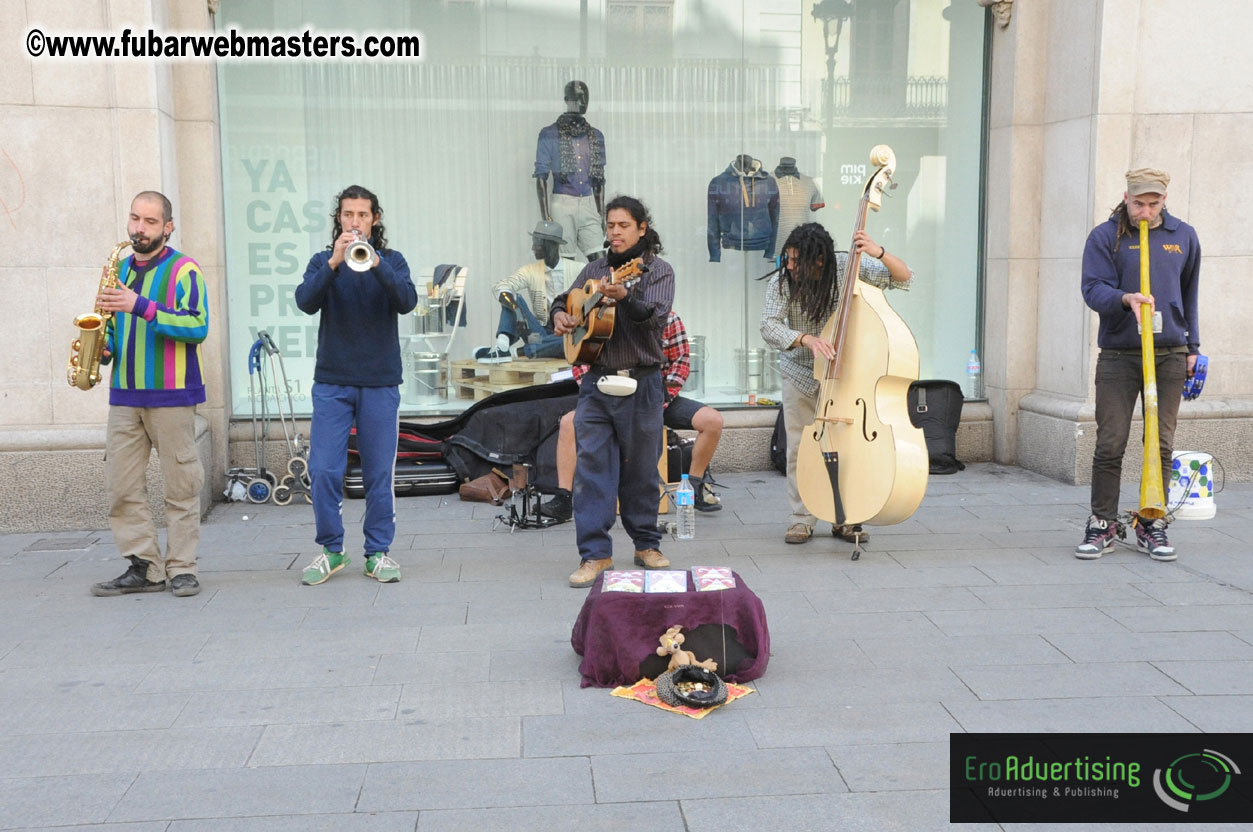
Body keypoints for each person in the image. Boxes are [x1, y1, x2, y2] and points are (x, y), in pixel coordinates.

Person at [759, 222, 914, 545]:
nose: (788, 266)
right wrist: (805, 340)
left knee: (850, 447)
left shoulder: (848, 266)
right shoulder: (783, 280)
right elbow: (769, 326)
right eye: (787, 259)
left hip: (848, 377)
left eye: (795, 260)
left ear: (819, 261)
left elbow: (903, 277)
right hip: (801, 372)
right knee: (800, 448)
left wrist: (879, 252)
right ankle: (801, 519)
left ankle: (847, 517)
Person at [1075, 168, 1200, 562]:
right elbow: (1092, 289)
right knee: (1110, 442)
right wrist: (1125, 300)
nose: (1145, 212)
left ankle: (1152, 520)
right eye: (1138, 204)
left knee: (1160, 443)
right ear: (1125, 198)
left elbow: (1190, 293)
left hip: (1169, 353)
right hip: (1119, 352)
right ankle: (1102, 523)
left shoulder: (1182, 236)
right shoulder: (1105, 236)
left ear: (1164, 200)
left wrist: (1192, 345)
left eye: (1153, 204)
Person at [295, 185, 418, 585]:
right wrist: (334, 262)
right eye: (348, 215)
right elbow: (305, 301)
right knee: (324, 469)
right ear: (338, 219)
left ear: (374, 219)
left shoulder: (393, 260)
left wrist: (377, 263)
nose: (354, 222)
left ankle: (378, 552)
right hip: (332, 381)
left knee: (379, 474)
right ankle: (331, 550)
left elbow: (406, 301)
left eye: (362, 215)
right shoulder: (321, 261)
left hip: (380, 382)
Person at [551, 195, 675, 587]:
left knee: (641, 470)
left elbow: (654, 319)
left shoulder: (657, 271)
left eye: (623, 225)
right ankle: (595, 555)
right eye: (610, 226)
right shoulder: (594, 268)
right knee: (592, 471)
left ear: (641, 227)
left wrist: (626, 298)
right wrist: (559, 314)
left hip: (642, 382)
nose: (615, 232)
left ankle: (645, 544)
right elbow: (562, 300)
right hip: (598, 382)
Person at [91, 191, 210, 599]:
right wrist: (103, 346)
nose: (139, 228)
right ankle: (143, 566)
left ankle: (182, 568)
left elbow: (196, 325)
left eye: (150, 222)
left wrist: (139, 305)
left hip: (172, 393)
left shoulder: (184, 270)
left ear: (168, 227)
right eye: (135, 219)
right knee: (121, 486)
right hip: (124, 393)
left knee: (180, 485)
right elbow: (108, 323)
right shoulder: (119, 270)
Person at [540, 310, 724, 521]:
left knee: (712, 421)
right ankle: (563, 498)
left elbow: (681, 363)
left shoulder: (669, 318)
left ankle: (695, 486)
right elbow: (581, 365)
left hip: (658, 397)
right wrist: (599, 396)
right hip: (607, 397)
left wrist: (659, 398)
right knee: (568, 423)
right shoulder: (599, 319)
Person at [474, 220, 568, 362]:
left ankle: (513, 352)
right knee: (514, 298)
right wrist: (516, 310)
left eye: (536, 243)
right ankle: (502, 346)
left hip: (565, 336)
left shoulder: (578, 269)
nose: (532, 248)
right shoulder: (530, 270)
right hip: (538, 334)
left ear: (549, 245)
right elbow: (501, 287)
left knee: (571, 341)